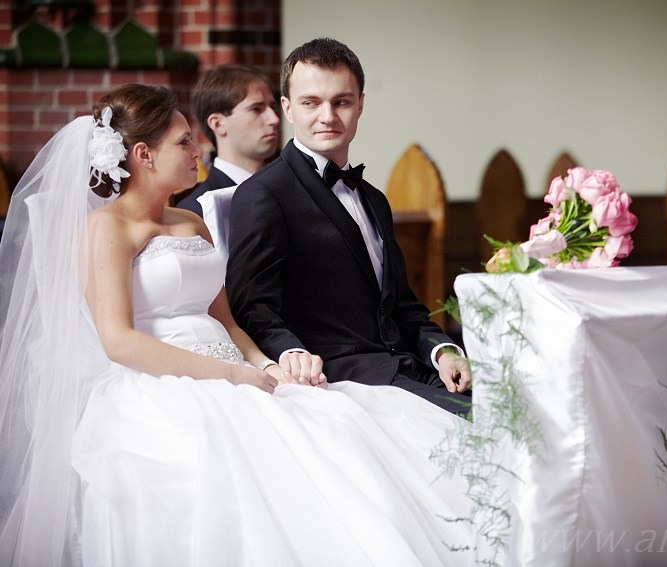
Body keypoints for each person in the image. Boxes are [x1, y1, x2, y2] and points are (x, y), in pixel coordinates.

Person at [0, 84, 472, 566]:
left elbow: (224, 320)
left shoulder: (191, 223)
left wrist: (268, 364)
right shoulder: (108, 228)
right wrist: (229, 375)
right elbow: (118, 340)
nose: (197, 149)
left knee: (339, 432)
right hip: (160, 384)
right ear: (143, 154)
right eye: (183, 142)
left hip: (241, 372)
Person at [227, 38, 471, 413]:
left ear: (360, 104)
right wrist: (291, 353)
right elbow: (252, 308)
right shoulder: (263, 194)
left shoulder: (373, 198)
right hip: (342, 378)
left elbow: (402, 306)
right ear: (288, 109)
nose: (327, 116)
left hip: (413, 368)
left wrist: (444, 351)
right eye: (311, 103)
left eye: (341, 101)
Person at [175, 64, 280, 216]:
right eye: (256, 108)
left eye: (273, 106)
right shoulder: (197, 210)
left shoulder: (289, 188)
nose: (274, 119)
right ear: (218, 124)